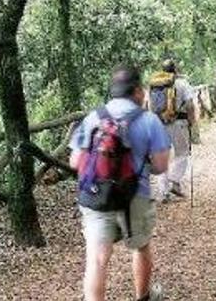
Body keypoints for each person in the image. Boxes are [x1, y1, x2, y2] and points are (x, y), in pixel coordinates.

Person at [69, 66, 171, 301]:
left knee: (96, 258)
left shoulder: (94, 117)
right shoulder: (149, 120)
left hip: (96, 196)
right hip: (135, 196)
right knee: (140, 247)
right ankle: (143, 297)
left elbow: (75, 161)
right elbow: (161, 166)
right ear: (137, 91)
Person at [148, 59, 197, 203]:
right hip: (179, 123)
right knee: (182, 153)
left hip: (158, 123)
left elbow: (148, 105)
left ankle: (164, 193)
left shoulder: (154, 85)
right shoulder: (182, 84)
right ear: (175, 70)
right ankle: (174, 179)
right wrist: (192, 121)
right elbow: (189, 104)